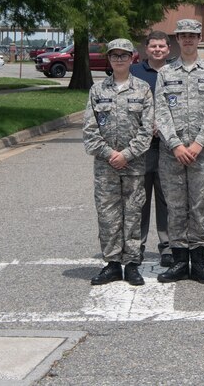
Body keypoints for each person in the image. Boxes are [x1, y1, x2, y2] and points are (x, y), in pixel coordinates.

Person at [153, 18, 204, 284]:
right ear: (177, 38)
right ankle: (179, 260)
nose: (187, 40)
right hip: (171, 154)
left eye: (192, 35)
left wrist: (196, 144)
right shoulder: (165, 73)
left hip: (202, 153)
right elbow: (160, 112)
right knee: (175, 207)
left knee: (198, 207)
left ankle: (198, 262)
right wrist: (175, 144)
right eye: (183, 35)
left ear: (198, 38)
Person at [83, 38, 155, 287]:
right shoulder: (97, 91)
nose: (119, 60)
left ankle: (133, 264)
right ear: (109, 59)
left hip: (134, 166)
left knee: (133, 214)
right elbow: (90, 132)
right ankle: (112, 264)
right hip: (106, 168)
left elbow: (148, 130)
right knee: (108, 215)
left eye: (124, 55)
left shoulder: (143, 89)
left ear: (132, 58)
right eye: (115, 56)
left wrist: (127, 154)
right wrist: (110, 154)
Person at [129, 30, 174, 268]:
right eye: (153, 46)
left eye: (162, 46)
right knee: (140, 200)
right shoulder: (134, 72)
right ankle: (137, 246)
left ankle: (167, 247)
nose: (158, 50)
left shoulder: (174, 73)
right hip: (141, 148)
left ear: (168, 49)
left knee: (166, 200)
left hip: (168, 147)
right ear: (146, 49)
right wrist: (146, 126)